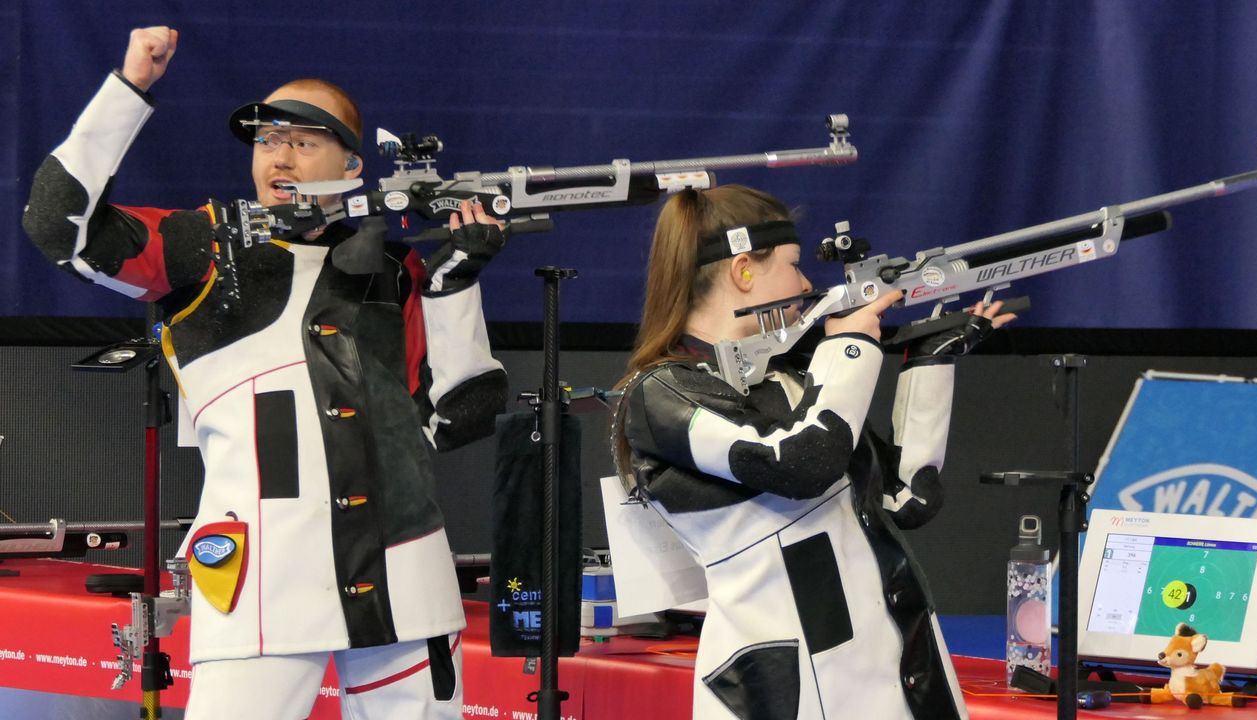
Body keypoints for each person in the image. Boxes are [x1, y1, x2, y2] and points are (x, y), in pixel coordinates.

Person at [22, 26, 508, 719]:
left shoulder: (397, 272)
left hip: (404, 572)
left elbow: (455, 419)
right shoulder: (204, 246)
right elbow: (56, 227)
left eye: (304, 140)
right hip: (261, 579)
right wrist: (129, 88)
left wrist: (457, 288)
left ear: (352, 163)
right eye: (266, 139)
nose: (279, 155)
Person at [613, 185, 1015, 719]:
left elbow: (905, 500)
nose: (806, 285)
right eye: (794, 264)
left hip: (895, 672)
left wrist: (928, 364)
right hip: (789, 689)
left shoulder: (794, 380)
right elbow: (799, 464)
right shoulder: (660, 396)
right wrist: (850, 348)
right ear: (743, 271)